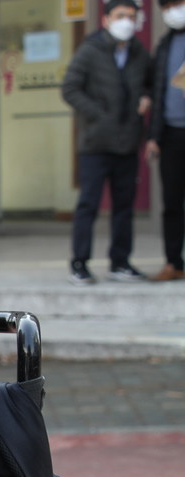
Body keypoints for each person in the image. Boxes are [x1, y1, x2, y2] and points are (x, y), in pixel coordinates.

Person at [61, 0, 151, 286]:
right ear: (106, 19)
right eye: (120, 16)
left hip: (127, 142)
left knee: (124, 206)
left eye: (131, 16)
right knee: (88, 204)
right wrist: (98, 115)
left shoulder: (139, 53)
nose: (126, 21)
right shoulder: (90, 50)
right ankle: (80, 263)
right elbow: (70, 88)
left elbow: (149, 83)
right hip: (95, 143)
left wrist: (147, 97)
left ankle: (120, 262)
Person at [146, 0, 185, 282]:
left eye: (178, 3)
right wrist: (153, 136)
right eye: (167, 6)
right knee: (171, 201)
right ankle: (174, 262)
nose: (173, 10)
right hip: (170, 133)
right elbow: (157, 91)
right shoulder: (164, 45)